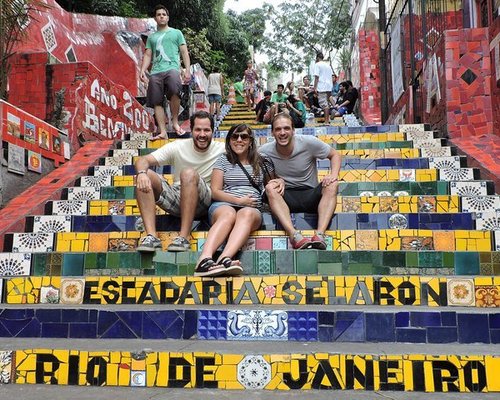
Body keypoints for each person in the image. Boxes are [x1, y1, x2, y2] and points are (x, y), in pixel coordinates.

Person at [135, 111, 225, 252]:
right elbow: (143, 160)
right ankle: (151, 236)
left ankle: (183, 237)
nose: (202, 134)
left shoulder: (222, 149)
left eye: (206, 130)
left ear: (213, 131)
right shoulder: (178, 146)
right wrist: (141, 173)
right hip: (177, 198)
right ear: (191, 130)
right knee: (146, 174)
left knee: (188, 173)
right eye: (198, 130)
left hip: (204, 200)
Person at [195, 124, 275, 277]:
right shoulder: (223, 160)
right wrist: (238, 200)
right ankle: (204, 260)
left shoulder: (262, 161)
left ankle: (224, 258)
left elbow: (273, 183)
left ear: (250, 141)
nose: (239, 140)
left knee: (247, 214)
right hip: (224, 203)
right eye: (235, 137)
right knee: (228, 214)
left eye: (244, 136)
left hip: (251, 209)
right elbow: (215, 191)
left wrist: (280, 182)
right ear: (229, 141)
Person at [259, 113, 341, 250]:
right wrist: (273, 181)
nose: (282, 133)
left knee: (333, 184)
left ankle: (320, 234)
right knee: (270, 188)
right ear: (272, 132)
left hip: (310, 194)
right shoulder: (264, 151)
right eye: (278, 129)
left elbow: (334, 154)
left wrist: (333, 174)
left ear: (293, 130)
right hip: (285, 196)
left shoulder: (308, 142)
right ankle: (294, 235)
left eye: (286, 128)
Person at [140, 4, 190, 139]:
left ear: (167, 17)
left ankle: (174, 122)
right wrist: (143, 70)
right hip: (156, 71)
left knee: (175, 91)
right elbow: (148, 55)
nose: (161, 16)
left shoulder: (176, 33)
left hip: (172, 68)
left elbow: (184, 52)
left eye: (164, 14)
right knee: (156, 101)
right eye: (158, 15)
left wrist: (187, 70)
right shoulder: (151, 37)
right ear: (155, 18)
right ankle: (162, 131)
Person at [313, 52, 334, 125]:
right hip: (329, 86)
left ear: (317, 58)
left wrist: (315, 87)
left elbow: (316, 77)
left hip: (322, 86)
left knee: (323, 104)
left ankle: (326, 121)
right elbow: (331, 76)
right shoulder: (327, 65)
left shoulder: (317, 65)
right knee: (326, 103)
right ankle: (329, 117)